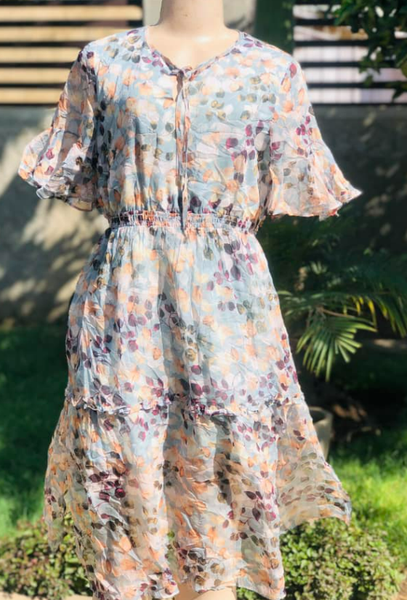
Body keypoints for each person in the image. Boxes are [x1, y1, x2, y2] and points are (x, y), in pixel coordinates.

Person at [17, 1, 363, 599]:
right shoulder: (103, 62)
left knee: (220, 454)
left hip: (228, 300)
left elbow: (294, 183)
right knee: (125, 450)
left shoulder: (272, 71)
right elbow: (79, 171)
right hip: (125, 298)